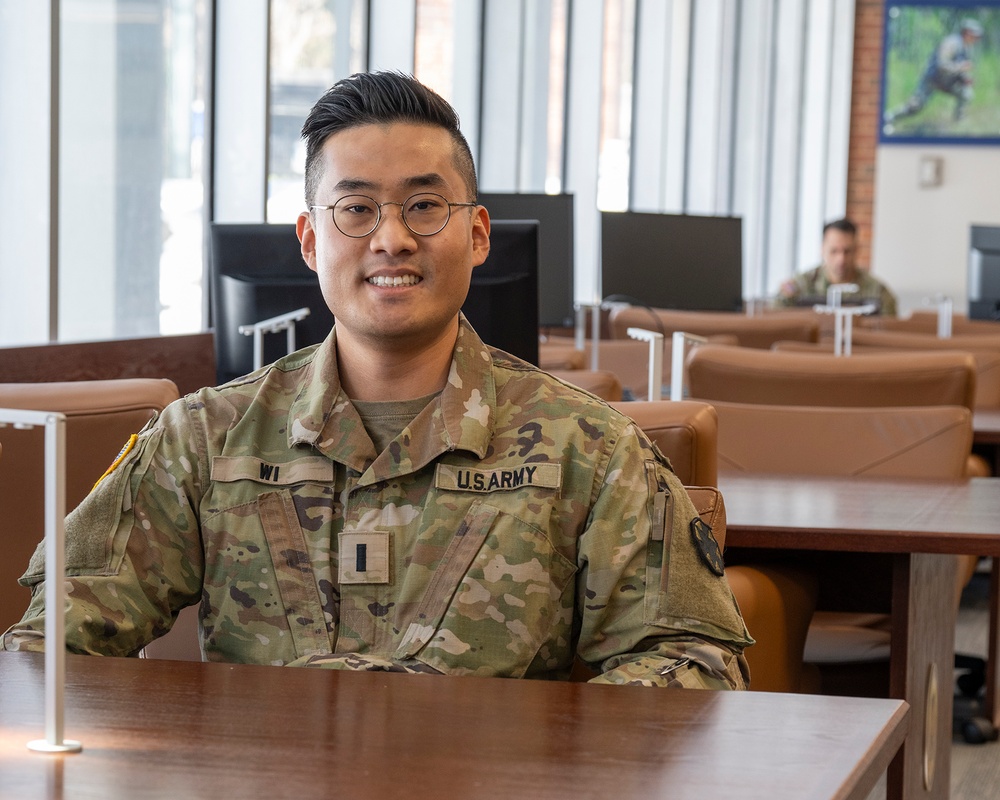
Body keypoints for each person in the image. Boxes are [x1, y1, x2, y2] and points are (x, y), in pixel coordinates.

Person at [2, 72, 751, 688]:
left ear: (478, 233)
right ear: (309, 239)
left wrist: (537, 754)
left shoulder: (588, 445)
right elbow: (46, 646)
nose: (392, 238)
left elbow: (693, 665)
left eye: (425, 206)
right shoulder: (206, 438)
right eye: (355, 209)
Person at [776, 218, 898, 316]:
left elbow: (890, 329)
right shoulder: (802, 285)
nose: (841, 259)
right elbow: (776, 313)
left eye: (847, 251)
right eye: (834, 251)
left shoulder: (877, 291)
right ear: (822, 250)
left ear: (857, 251)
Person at [884, 18, 984, 126]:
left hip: (948, 82)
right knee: (914, 106)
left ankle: (958, 123)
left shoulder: (968, 47)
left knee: (966, 94)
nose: (976, 38)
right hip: (932, 80)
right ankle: (887, 118)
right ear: (967, 32)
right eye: (975, 35)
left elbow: (960, 69)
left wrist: (965, 78)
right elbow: (941, 65)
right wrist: (960, 68)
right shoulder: (951, 43)